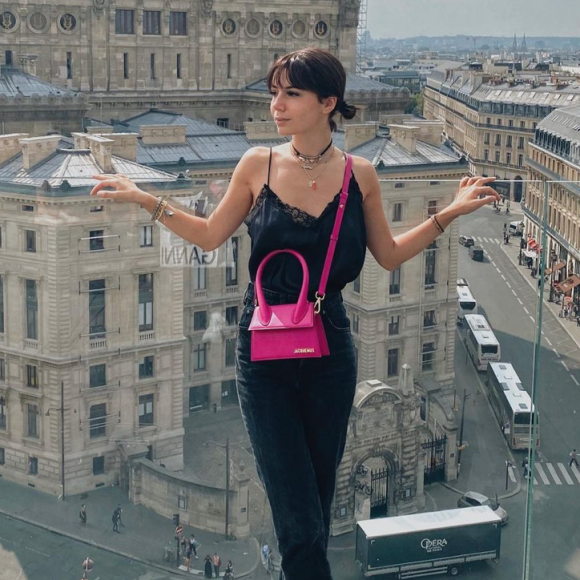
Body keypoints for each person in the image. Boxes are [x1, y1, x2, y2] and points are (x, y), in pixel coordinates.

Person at [90, 47, 499, 580]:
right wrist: (148, 200)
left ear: (329, 102)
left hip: (331, 351)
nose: (276, 104)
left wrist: (447, 214)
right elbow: (211, 235)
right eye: (274, 92)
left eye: (291, 93)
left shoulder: (362, 175)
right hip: (262, 350)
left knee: (314, 508)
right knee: (298, 517)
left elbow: (389, 255)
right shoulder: (255, 164)